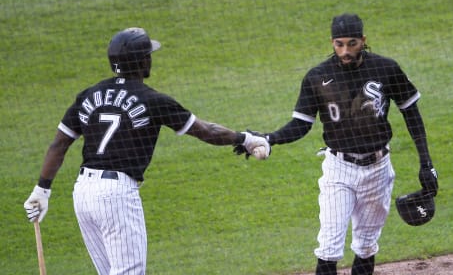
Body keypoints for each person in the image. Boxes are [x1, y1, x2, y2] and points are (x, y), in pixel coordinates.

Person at [23, 27, 270, 275]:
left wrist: (41, 190)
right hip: (116, 194)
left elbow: (59, 144)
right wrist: (246, 139)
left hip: (83, 193)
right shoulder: (153, 100)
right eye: (149, 55)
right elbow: (207, 131)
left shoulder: (89, 95)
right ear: (143, 61)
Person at [237, 13, 438, 275]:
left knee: (366, 246)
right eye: (339, 44)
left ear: (364, 41)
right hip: (338, 170)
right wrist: (270, 138)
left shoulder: (386, 69)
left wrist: (426, 163)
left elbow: (412, 113)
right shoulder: (317, 77)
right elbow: (301, 124)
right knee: (329, 247)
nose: (345, 51)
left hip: (378, 169)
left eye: (352, 43)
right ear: (332, 42)